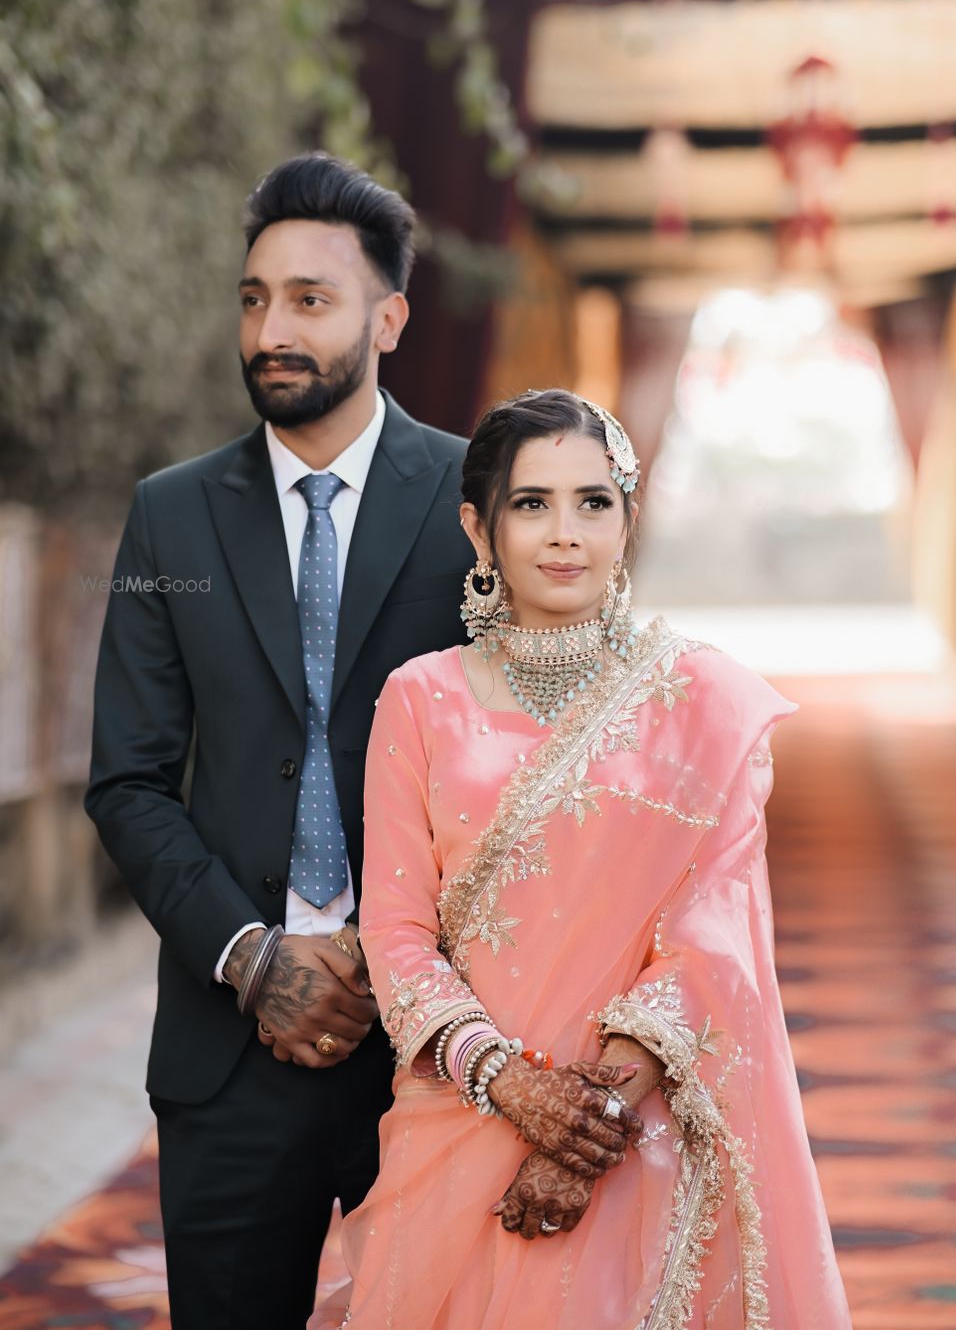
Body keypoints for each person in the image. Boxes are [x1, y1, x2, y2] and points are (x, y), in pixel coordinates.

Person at [313, 388, 852, 1330]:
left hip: (637, 1128)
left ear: (628, 520)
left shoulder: (701, 700)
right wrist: (507, 1081)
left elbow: (713, 932)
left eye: (593, 502)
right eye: (533, 504)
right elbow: (397, 930)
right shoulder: (421, 698)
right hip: (463, 1114)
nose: (565, 534)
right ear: (479, 527)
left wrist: (582, 1133)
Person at [85, 153, 471, 1330]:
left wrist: (387, 954)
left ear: (387, 317)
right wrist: (256, 959)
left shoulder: (477, 498)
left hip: (437, 1037)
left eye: (310, 299)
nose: (271, 329)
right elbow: (130, 780)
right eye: (254, 298)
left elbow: (527, 774)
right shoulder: (172, 514)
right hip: (229, 1037)